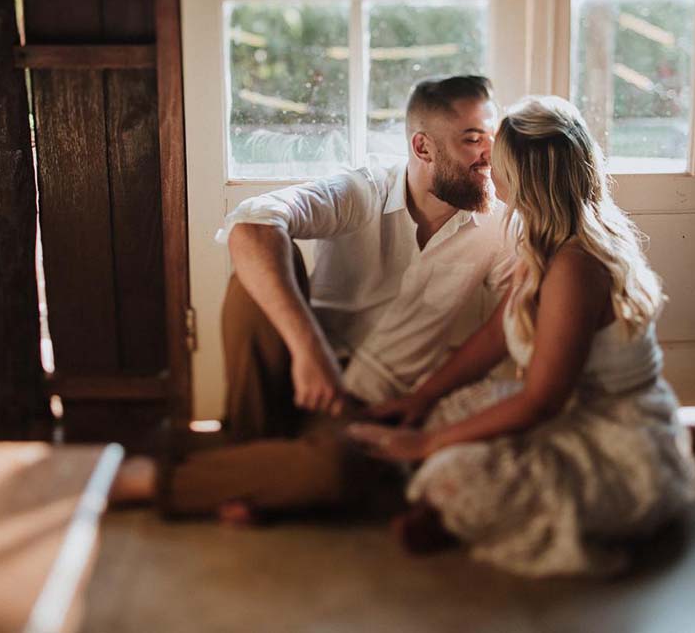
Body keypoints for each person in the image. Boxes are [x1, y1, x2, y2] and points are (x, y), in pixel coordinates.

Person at [110, 75, 517, 516]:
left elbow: (506, 323)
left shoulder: (501, 223)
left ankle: (178, 477)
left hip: (367, 404)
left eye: (493, 138)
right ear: (423, 147)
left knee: (340, 469)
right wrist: (309, 351)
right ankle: (261, 478)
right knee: (251, 278)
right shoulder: (364, 189)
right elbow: (251, 226)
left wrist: (424, 397)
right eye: (473, 140)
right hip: (297, 373)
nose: (488, 156)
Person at [347, 95, 695, 577]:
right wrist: (421, 397)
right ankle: (434, 499)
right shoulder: (544, 237)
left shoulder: (576, 265)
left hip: (614, 436)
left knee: (448, 468)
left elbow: (541, 402)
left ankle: (455, 511)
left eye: (496, 160)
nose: (485, 167)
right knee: (441, 410)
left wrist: (427, 447)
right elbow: (500, 331)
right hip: (569, 407)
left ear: (521, 179)